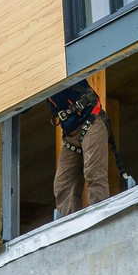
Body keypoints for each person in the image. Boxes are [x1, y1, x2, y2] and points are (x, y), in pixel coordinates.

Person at [48, 78, 111, 216]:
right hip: (70, 134)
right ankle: (69, 225)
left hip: (91, 119)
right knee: (63, 185)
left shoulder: (55, 67)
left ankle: (101, 219)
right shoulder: (36, 77)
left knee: (94, 174)